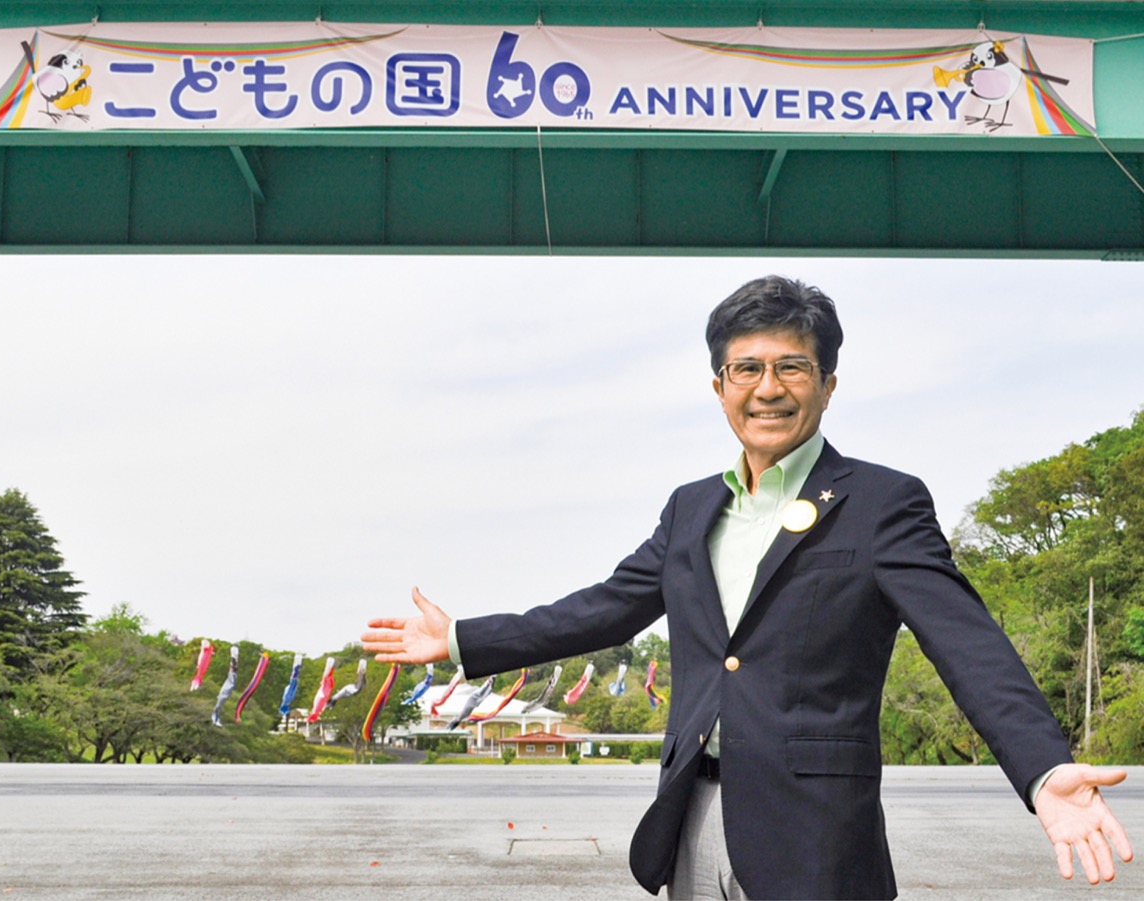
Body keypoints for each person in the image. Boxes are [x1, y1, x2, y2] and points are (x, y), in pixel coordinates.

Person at [362, 275, 1132, 900]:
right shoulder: (691, 508)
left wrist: (1042, 768)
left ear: (827, 384)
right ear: (720, 384)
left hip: (817, 832)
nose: (769, 388)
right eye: (748, 368)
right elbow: (604, 609)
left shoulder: (882, 503)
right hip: (695, 813)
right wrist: (461, 639)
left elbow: (966, 642)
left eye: (791, 367)